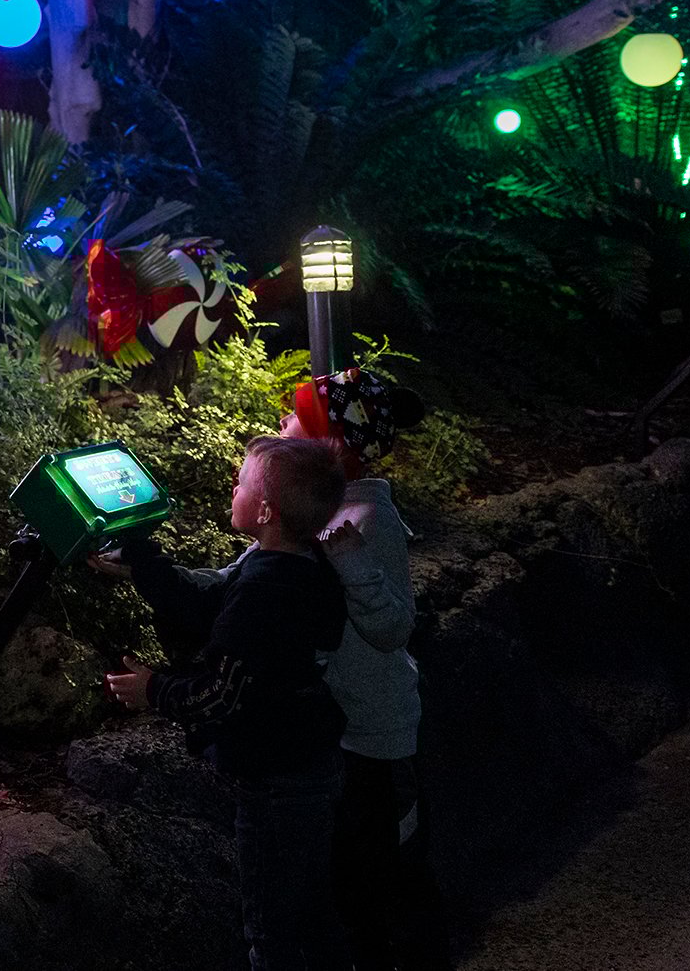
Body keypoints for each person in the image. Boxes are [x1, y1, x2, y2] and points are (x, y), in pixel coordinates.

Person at [104, 436, 350, 971]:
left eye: (241, 482)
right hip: (308, 765)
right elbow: (202, 603)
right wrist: (142, 557)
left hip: (278, 784)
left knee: (271, 929)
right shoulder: (292, 564)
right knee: (311, 910)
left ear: (264, 510)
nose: (232, 487)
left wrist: (154, 690)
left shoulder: (265, 591)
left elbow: (222, 693)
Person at [290, 376, 452, 971]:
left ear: (331, 446)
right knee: (361, 877)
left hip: (380, 739)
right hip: (351, 731)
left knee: (392, 875)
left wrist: (351, 560)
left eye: (295, 424)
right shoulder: (326, 510)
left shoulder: (366, 522)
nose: (281, 430)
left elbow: (392, 628)